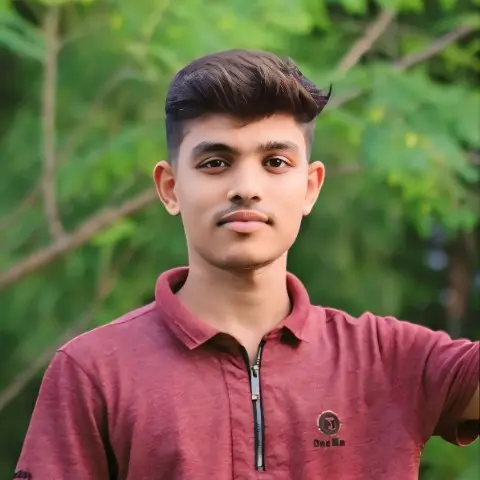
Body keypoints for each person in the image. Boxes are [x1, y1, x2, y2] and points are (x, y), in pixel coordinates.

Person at [15, 50, 479, 480]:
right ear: (171, 188)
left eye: (275, 162)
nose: (246, 188)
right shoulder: (94, 372)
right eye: (216, 163)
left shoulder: (390, 359)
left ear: (310, 187)